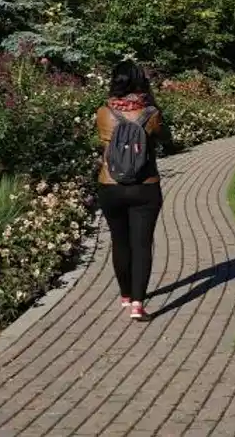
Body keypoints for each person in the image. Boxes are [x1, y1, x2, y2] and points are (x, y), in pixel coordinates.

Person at [95, 60, 171, 321]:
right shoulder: (150, 114)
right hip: (144, 187)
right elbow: (166, 138)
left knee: (120, 241)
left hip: (110, 185)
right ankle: (139, 304)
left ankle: (125, 295)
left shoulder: (104, 112)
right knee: (141, 245)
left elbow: (102, 141)